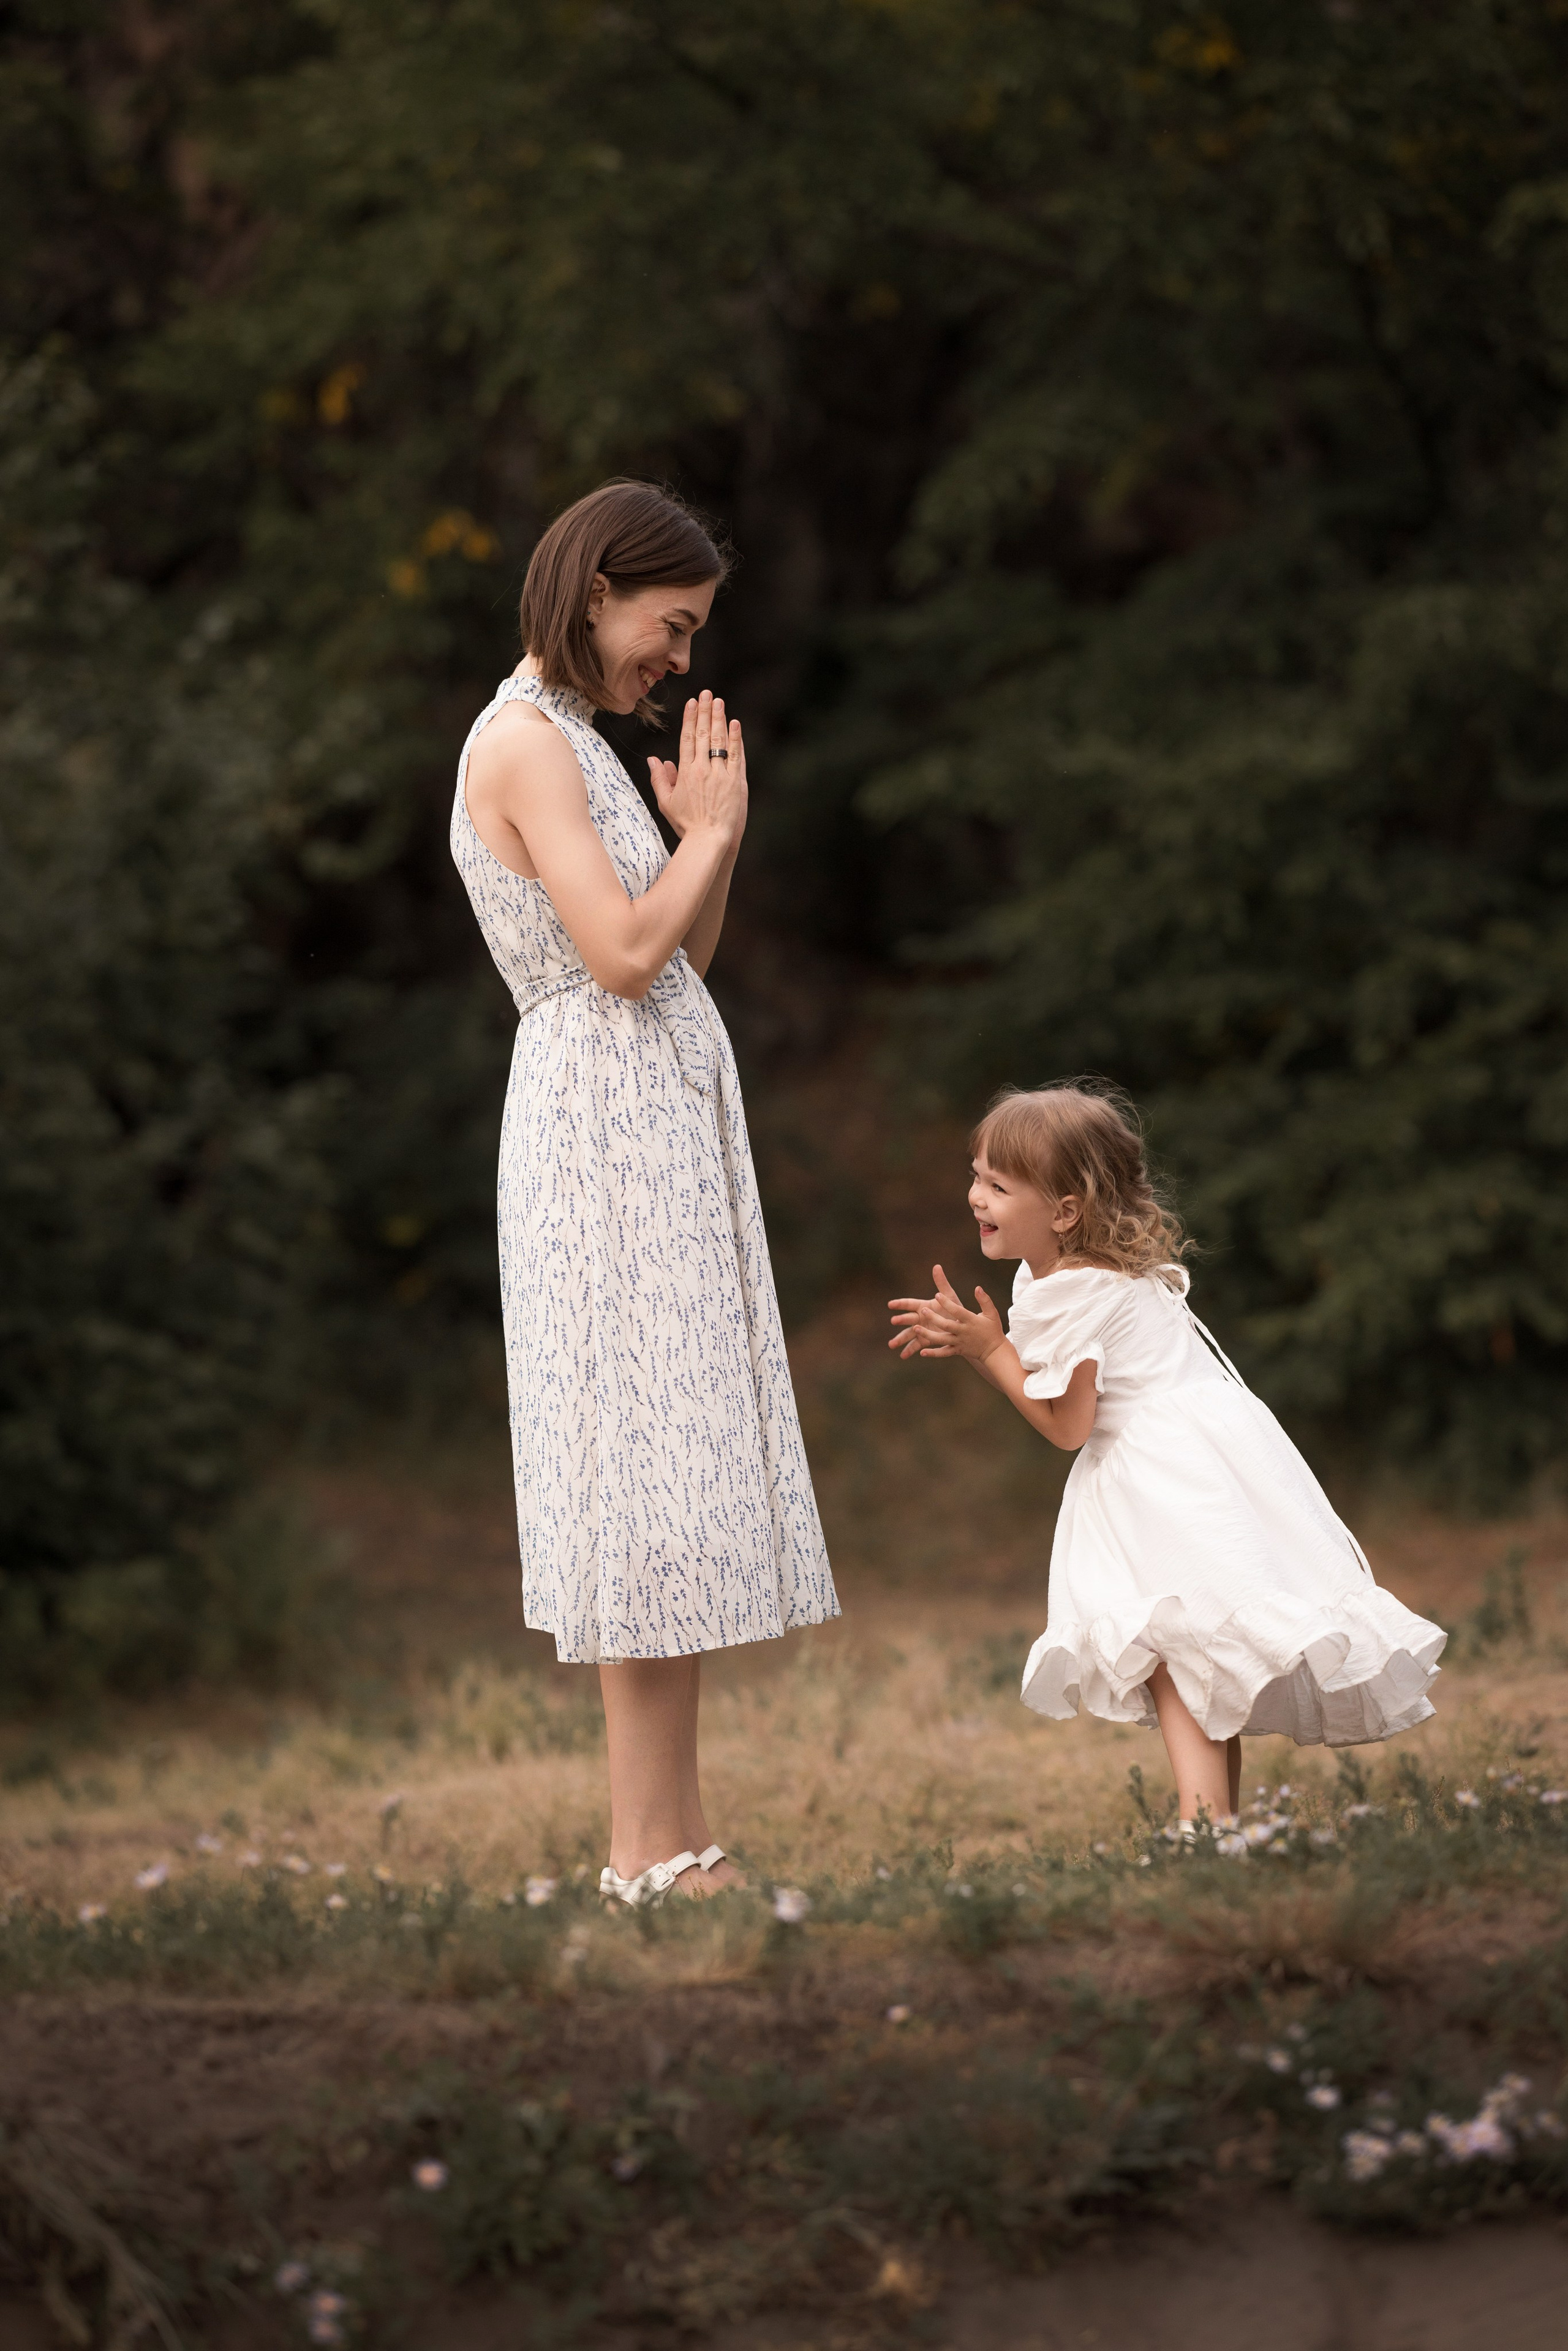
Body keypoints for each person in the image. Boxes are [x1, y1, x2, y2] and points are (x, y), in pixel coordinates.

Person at [451, 479, 838, 1906]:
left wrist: (699, 839)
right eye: (666, 627)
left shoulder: (582, 747)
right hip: (600, 1133)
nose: (674, 661)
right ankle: (645, 1853)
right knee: (635, 1485)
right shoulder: (524, 744)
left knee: (668, 1486)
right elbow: (618, 957)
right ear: (596, 589)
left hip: (649, 1121)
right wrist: (708, 845)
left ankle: (669, 1845)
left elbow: (681, 953)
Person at [888, 1082, 1444, 1832]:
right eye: (977, 1176)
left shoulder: (1078, 1288)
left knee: (1176, 1656)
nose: (975, 1197)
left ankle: (1203, 1825)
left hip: (1163, 1477)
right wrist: (998, 1344)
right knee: (1192, 1654)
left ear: (1063, 1211)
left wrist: (988, 1351)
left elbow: (1067, 1428)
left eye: (997, 1185)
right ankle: (1218, 1823)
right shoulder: (1075, 1272)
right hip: (1203, 1457)